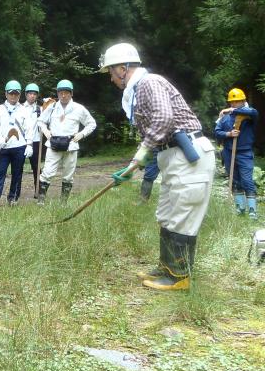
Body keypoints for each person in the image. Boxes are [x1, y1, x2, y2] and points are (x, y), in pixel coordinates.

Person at [102, 42, 215, 291]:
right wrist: (135, 165)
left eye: (111, 72)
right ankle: (167, 266)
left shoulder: (149, 82)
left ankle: (179, 277)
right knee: (167, 214)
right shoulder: (138, 89)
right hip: (171, 155)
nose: (111, 78)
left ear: (123, 68)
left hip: (188, 154)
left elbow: (164, 119)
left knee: (182, 215)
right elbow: (155, 133)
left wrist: (137, 159)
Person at [36, 79, 96, 204]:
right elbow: (40, 121)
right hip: (53, 144)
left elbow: (91, 123)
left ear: (71, 93)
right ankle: (41, 201)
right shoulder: (52, 107)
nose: (63, 95)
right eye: (61, 93)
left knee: (68, 175)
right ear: (57, 94)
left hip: (71, 145)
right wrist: (46, 131)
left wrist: (82, 134)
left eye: (66, 92)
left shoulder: (79, 108)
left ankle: (63, 203)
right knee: (47, 172)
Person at [0, 81, 34, 208]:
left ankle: (13, 197)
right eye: (11, 93)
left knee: (17, 173)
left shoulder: (24, 110)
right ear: (6, 94)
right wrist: (0, 139)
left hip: (19, 146)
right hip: (3, 146)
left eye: (16, 94)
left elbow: (29, 128)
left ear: (19, 95)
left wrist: (29, 144)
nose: (13, 96)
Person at [215, 88, 258, 219]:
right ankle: (240, 208)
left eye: (237, 101)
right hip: (229, 152)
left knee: (247, 181)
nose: (234, 104)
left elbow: (253, 111)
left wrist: (231, 110)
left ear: (243, 101)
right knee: (235, 180)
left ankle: (252, 210)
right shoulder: (225, 118)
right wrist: (228, 134)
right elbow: (216, 131)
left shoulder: (250, 115)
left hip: (245, 153)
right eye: (232, 102)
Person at [21, 83, 44, 196]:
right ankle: (16, 191)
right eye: (30, 93)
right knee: (18, 166)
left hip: (36, 141)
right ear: (26, 94)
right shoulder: (20, 108)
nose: (32, 96)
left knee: (36, 167)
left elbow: (46, 123)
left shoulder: (40, 109)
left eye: (34, 94)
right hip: (21, 141)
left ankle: (38, 190)